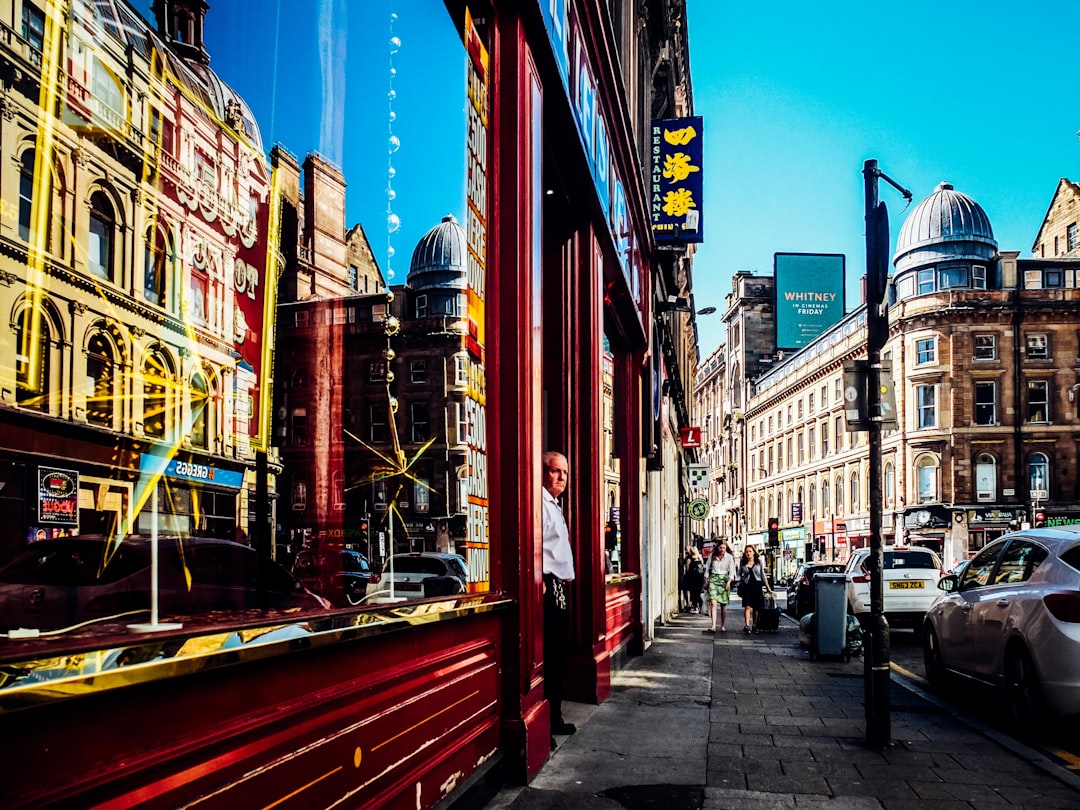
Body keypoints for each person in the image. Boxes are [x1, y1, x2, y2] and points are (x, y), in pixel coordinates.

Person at [541, 450, 576, 739]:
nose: (562, 477)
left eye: (565, 472)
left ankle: (555, 716)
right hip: (549, 586)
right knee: (551, 655)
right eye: (556, 471)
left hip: (560, 587)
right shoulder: (539, 504)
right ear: (543, 472)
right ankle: (548, 721)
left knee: (560, 654)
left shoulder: (553, 504)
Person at [701, 541, 737, 633]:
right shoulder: (712, 556)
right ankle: (713, 626)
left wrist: (729, 582)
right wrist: (706, 580)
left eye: (724, 548)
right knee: (713, 602)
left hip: (724, 579)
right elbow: (707, 567)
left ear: (726, 548)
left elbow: (732, 571)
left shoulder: (729, 557)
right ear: (718, 548)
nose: (722, 550)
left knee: (723, 604)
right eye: (720, 548)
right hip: (713, 579)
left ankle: (723, 625)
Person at [737, 545, 771, 633]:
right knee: (747, 606)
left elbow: (762, 575)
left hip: (757, 586)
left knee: (756, 607)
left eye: (750, 551)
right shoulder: (743, 563)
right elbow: (739, 574)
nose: (748, 553)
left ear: (753, 552)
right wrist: (738, 580)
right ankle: (747, 625)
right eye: (746, 552)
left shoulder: (758, 562)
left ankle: (754, 625)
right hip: (747, 586)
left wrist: (767, 586)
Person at [684, 545, 705, 614]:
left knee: (693, 592)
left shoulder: (689, 560)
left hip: (692, 579)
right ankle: (698, 605)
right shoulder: (700, 559)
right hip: (700, 579)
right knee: (697, 592)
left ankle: (695, 606)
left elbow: (687, 570)